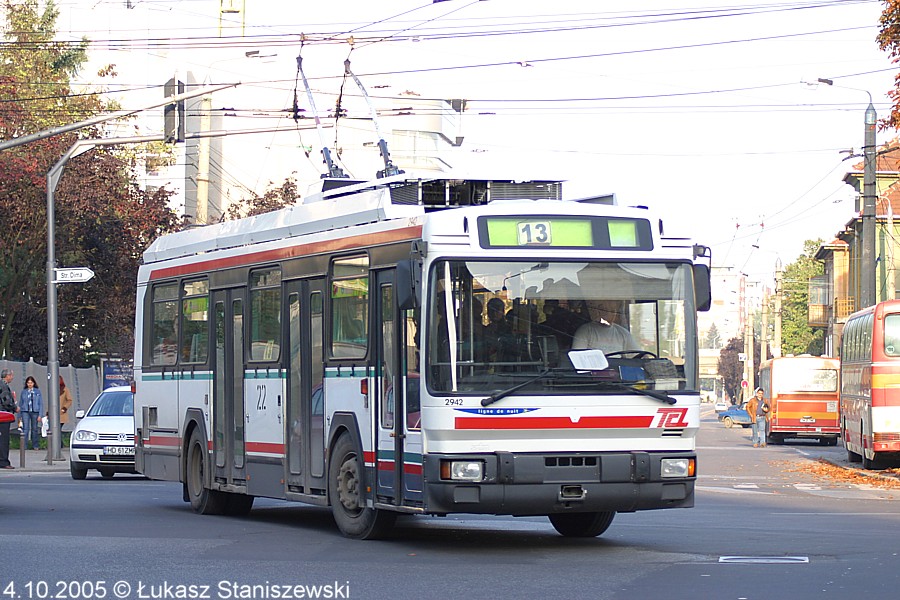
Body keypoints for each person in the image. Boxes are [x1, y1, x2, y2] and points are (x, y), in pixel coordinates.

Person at [571, 299, 641, 354]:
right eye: (607, 310)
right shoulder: (585, 331)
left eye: (613, 310)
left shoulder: (623, 333)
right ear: (599, 311)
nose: (611, 314)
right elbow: (577, 358)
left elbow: (639, 356)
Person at [19, 376, 43, 451]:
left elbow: (41, 403)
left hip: (35, 411)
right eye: (28, 383)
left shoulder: (37, 392)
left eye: (31, 383)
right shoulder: (24, 392)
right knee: (25, 429)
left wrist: (40, 414)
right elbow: (21, 403)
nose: (30, 384)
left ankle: (35, 445)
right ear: (26, 383)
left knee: (34, 429)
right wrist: (19, 415)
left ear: (33, 383)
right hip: (25, 411)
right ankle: (24, 445)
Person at [0, 369, 16, 469]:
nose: (12, 377)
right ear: (8, 376)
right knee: (4, 439)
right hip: (3, 415)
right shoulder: (4, 386)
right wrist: (14, 407)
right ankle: (4, 461)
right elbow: (6, 401)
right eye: (12, 375)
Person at [58, 376, 73, 451]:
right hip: (53, 413)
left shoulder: (65, 389)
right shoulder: (52, 389)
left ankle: (59, 444)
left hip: (61, 413)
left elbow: (69, 400)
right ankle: (59, 444)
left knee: (58, 428)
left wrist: (64, 408)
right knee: (55, 429)